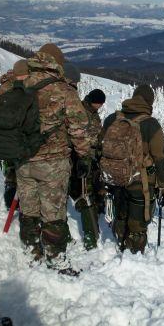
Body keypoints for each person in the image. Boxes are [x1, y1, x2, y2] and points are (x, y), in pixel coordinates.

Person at [16, 43, 92, 270]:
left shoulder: (19, 85)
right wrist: (84, 157)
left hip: (23, 161)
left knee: (28, 209)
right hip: (53, 163)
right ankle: (56, 258)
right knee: (53, 213)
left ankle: (32, 253)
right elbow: (78, 129)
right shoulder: (63, 90)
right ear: (57, 63)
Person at [101, 84, 164, 254]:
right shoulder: (150, 124)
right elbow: (160, 157)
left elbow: (100, 145)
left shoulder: (112, 118)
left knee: (121, 213)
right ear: (149, 102)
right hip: (141, 182)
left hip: (115, 177)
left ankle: (120, 243)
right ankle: (134, 255)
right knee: (138, 223)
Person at [69, 88, 106, 249]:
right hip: (81, 157)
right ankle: (91, 233)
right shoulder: (81, 111)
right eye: (98, 103)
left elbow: (97, 135)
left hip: (92, 157)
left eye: (101, 104)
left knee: (92, 188)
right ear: (92, 100)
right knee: (86, 192)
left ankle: (94, 217)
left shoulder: (94, 114)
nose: (99, 106)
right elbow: (78, 136)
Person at [0, 59, 29, 209]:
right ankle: (15, 203)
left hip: (6, 135)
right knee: (17, 171)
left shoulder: (5, 86)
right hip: (16, 134)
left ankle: (12, 201)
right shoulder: (16, 87)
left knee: (11, 171)